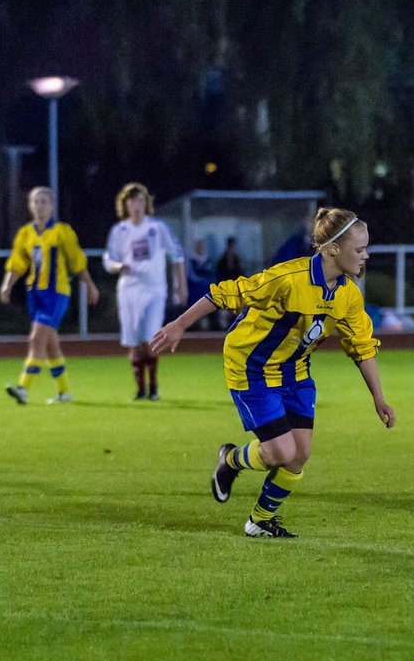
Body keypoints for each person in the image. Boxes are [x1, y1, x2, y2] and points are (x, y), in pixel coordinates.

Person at [150, 208, 396, 538]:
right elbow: (229, 292)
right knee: (282, 452)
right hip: (251, 366)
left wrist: (378, 398)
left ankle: (260, 520)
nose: (365, 256)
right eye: (359, 249)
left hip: (294, 371)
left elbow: (362, 346)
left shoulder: (348, 295)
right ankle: (232, 459)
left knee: (300, 454)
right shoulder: (288, 279)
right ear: (333, 249)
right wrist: (180, 324)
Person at [0, 187, 100, 405]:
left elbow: (77, 262)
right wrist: (7, 285)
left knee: (36, 338)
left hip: (57, 293)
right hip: (34, 294)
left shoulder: (62, 232)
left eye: (44, 201)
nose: (40, 205)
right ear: (30, 205)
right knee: (51, 345)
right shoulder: (26, 233)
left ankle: (23, 388)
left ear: (52, 206)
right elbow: (17, 263)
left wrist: (90, 285)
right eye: (36, 201)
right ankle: (64, 393)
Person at [103, 183, 186, 400]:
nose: (136, 206)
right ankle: (140, 389)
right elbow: (109, 259)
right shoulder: (119, 231)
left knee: (150, 338)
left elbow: (176, 254)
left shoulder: (157, 227)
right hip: (128, 291)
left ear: (146, 203)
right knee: (134, 341)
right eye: (131, 201)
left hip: (154, 290)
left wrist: (181, 285)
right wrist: (118, 267)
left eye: (140, 201)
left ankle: (154, 386)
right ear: (125, 205)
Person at [186, 237, 217, 330]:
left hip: (208, 292)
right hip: (195, 294)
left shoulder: (209, 261)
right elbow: (191, 277)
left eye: (202, 245)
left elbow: (213, 278)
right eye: (198, 245)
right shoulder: (191, 262)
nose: (200, 248)